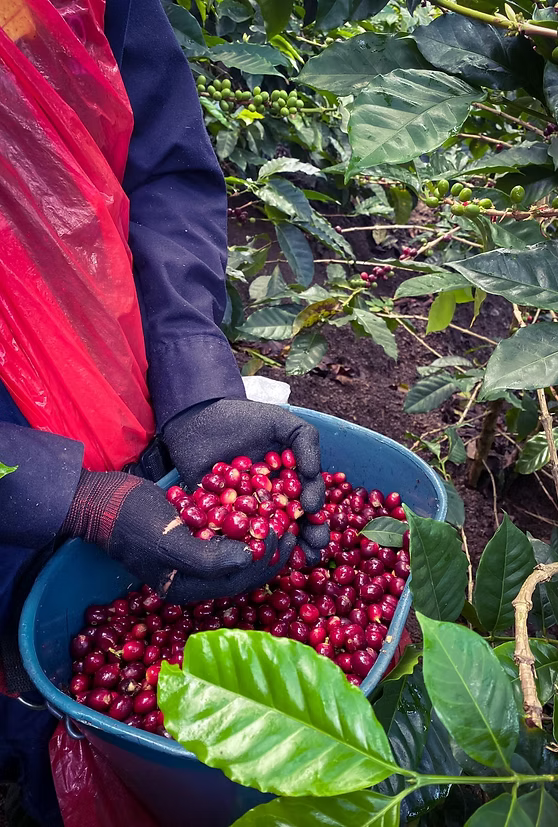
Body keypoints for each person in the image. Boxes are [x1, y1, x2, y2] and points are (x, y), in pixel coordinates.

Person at [0, 0, 328, 823]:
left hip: (109, 383)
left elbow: (161, 163)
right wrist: (59, 491)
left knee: (89, 664)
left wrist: (196, 378)